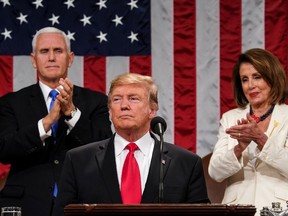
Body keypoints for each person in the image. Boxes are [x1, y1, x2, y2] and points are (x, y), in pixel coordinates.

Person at [52, 72, 210, 215]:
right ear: (110, 110)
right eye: (117, 99)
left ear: (152, 110)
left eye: (133, 98)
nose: (124, 105)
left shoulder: (186, 163)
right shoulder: (78, 160)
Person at [0, 27, 112, 216]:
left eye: (58, 51)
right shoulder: (11, 102)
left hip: (79, 203)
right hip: (26, 205)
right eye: (44, 51)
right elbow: (4, 150)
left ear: (70, 58)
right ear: (33, 60)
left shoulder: (96, 101)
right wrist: (46, 122)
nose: (51, 57)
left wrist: (71, 113)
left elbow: (105, 149)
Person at [208, 48, 288, 214]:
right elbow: (215, 171)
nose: (251, 85)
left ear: (272, 77)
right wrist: (239, 148)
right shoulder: (230, 118)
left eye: (257, 77)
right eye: (244, 79)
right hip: (238, 208)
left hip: (278, 209)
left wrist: (260, 139)